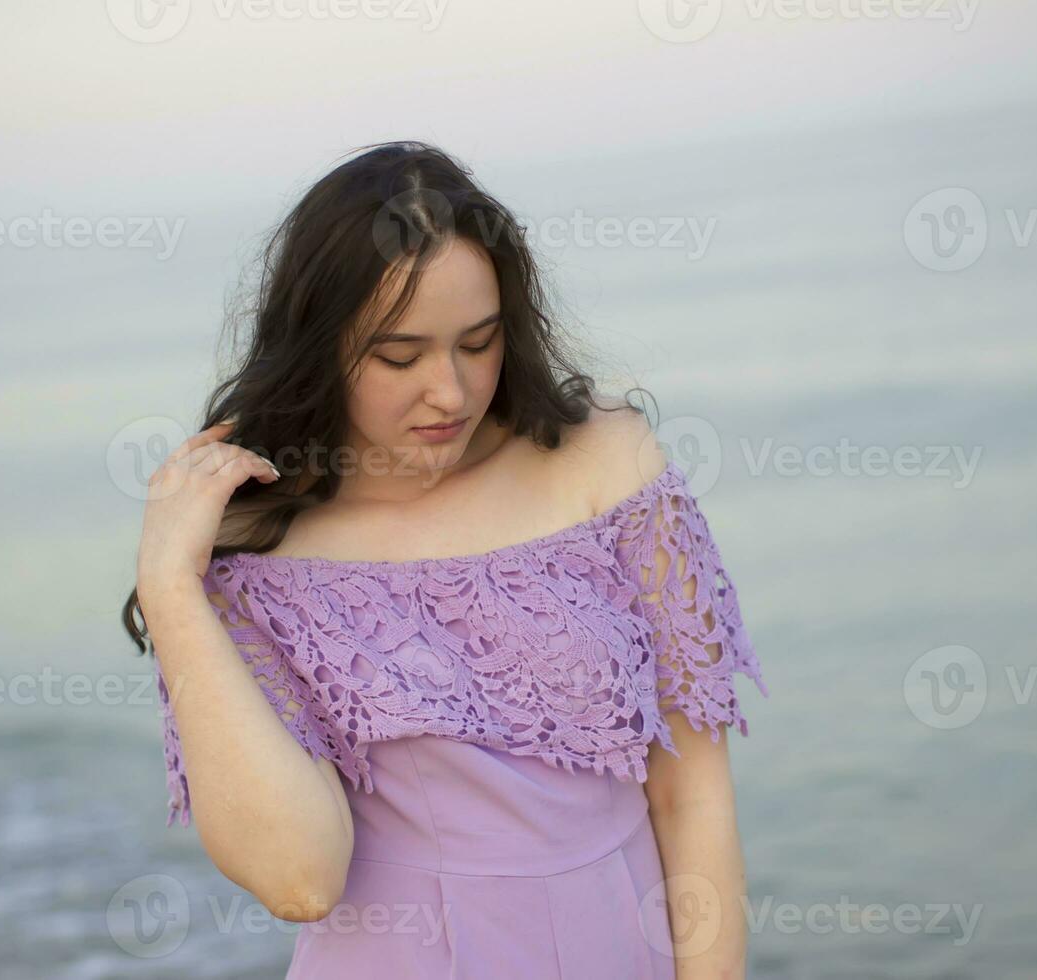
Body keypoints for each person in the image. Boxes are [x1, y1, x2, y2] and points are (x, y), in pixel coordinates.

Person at [122, 140, 768, 978]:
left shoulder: (609, 466)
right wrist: (172, 589)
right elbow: (300, 880)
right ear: (322, 346)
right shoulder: (254, 557)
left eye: (479, 342)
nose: (452, 392)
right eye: (400, 356)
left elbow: (695, 796)